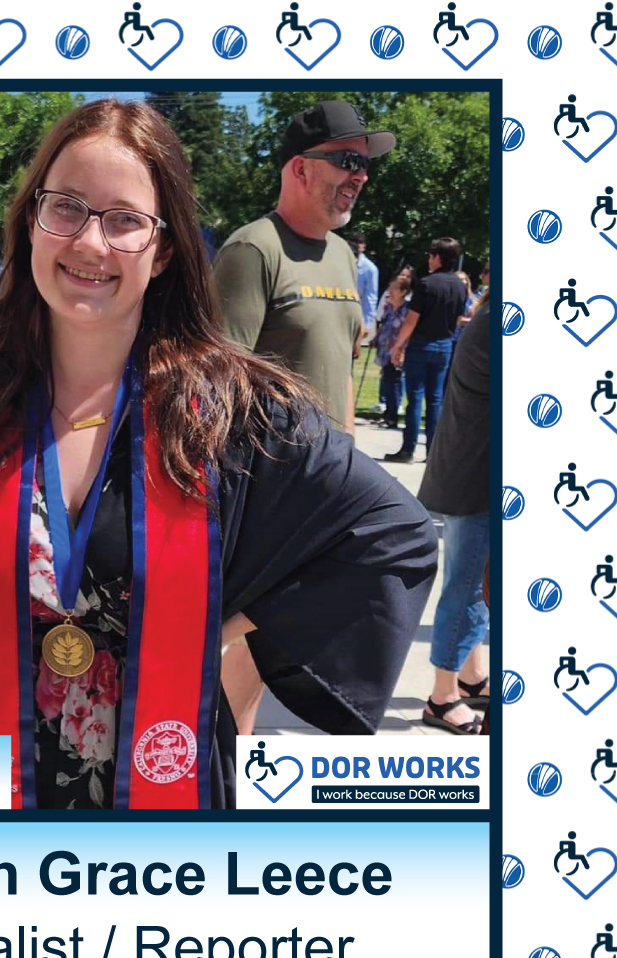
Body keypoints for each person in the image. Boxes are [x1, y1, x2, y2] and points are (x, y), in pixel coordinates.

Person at [0, 99, 437, 810]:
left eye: (126, 220)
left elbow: (391, 535)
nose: (90, 243)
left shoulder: (230, 412)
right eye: (65, 207)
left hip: (166, 790)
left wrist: (219, 625)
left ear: (167, 250)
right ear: (31, 221)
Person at [213, 100, 395, 735]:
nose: (361, 175)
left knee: (274, 633)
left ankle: (221, 755)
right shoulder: (252, 249)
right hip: (264, 483)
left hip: (325, 481)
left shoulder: (344, 255)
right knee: (256, 623)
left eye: (366, 165)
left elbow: (342, 368)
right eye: (348, 160)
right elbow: (220, 383)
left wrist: (347, 456)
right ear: (299, 168)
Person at [416, 297, 490, 733]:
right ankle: (443, 696)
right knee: (467, 588)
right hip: (477, 473)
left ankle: (470, 674)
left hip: (472, 467)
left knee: (473, 584)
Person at [385, 238, 467, 463]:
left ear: (438, 257)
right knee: (436, 399)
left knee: (416, 397)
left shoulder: (426, 284)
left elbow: (412, 320)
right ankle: (433, 451)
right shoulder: (460, 286)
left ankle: (408, 449)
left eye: (431, 256)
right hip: (445, 344)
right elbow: (458, 317)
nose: (429, 260)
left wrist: (398, 345)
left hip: (421, 344)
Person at [374, 268, 413, 429]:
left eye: (393, 289)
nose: (389, 291)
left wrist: (401, 350)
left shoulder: (407, 310)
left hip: (396, 352)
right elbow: (384, 325)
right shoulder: (389, 307)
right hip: (384, 349)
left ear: (403, 291)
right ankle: (387, 413)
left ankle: (393, 416)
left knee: (394, 383)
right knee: (387, 381)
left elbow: (408, 332)